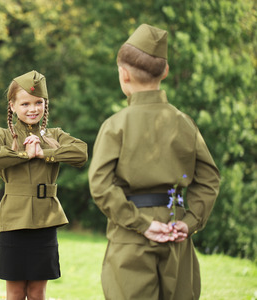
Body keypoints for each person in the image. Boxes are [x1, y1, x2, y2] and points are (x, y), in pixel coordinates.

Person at [88, 24, 220, 300]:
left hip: (131, 235)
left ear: (123, 74)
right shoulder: (184, 123)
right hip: (176, 228)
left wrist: (140, 223)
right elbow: (209, 179)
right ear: (166, 72)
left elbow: (100, 186)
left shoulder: (115, 126)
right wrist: (191, 220)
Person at [0, 70, 88, 300]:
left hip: (45, 220)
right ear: (12, 106)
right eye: (25, 103)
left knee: (38, 292)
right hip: (14, 221)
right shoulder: (2, 135)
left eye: (38, 102)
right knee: (16, 292)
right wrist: (25, 155)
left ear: (45, 104)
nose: (33, 109)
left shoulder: (54, 135)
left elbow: (81, 152)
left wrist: (45, 153)